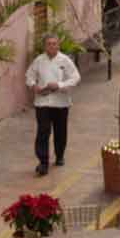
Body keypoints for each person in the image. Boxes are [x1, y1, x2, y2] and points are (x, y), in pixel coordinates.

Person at [24, 31, 80, 176]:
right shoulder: (39, 60)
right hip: (42, 102)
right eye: (49, 44)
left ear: (58, 45)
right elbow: (29, 76)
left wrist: (60, 85)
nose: (51, 46)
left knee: (60, 131)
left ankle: (60, 155)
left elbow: (75, 77)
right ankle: (43, 162)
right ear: (44, 46)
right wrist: (33, 86)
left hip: (61, 102)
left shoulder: (65, 60)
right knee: (43, 131)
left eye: (54, 44)